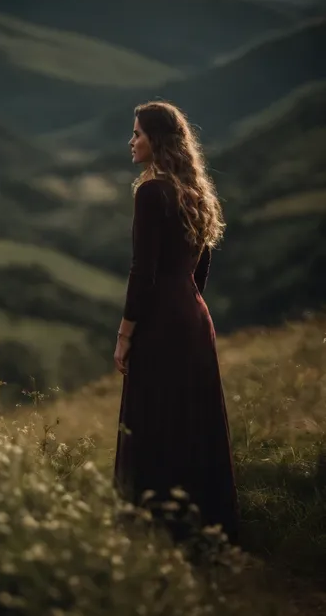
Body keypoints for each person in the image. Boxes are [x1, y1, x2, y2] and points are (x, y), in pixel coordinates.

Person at [113, 100, 239, 545]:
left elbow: (142, 272)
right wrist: (186, 302)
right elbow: (200, 266)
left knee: (155, 421)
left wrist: (125, 333)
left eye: (138, 134)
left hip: (160, 322)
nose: (131, 142)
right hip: (193, 316)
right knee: (192, 420)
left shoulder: (151, 191)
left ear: (157, 140)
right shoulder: (195, 190)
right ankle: (203, 525)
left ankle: (155, 528)